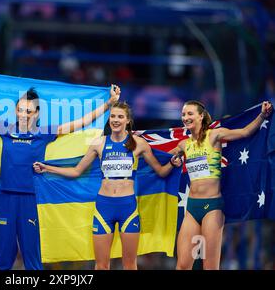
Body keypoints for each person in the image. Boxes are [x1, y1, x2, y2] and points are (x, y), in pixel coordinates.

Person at [0, 66, 121, 270]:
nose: (23, 115)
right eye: (20, 110)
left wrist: (108, 104)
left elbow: (80, 122)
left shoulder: (44, 133)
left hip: (33, 200)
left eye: (28, 111)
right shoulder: (6, 128)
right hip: (5, 199)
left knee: (33, 262)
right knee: (2, 261)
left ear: (36, 113)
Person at [33, 101, 181, 270]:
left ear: (128, 121)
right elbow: (76, 171)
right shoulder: (99, 143)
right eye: (112, 116)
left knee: (130, 265)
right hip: (104, 208)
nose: (115, 120)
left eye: (120, 117)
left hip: (128, 209)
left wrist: (172, 163)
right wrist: (47, 168)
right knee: (101, 265)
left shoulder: (139, 144)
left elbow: (160, 172)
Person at [170, 100, 273, 270]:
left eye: (190, 113)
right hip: (191, 207)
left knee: (210, 266)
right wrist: (174, 160)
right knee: (182, 265)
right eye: (183, 114)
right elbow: (167, 159)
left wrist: (262, 115)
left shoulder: (214, 135)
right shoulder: (183, 145)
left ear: (201, 116)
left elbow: (245, 132)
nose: (185, 117)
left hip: (212, 207)